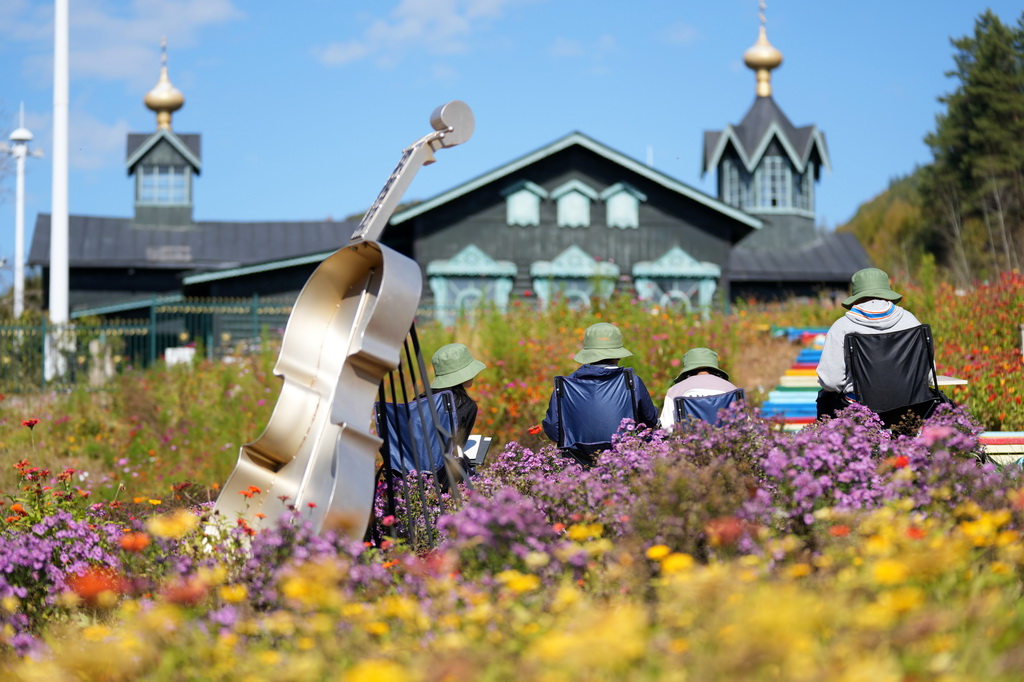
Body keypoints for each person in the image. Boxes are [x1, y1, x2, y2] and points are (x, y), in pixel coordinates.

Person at [542, 322, 659, 463]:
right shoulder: (631, 381)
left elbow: (553, 429)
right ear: (618, 355)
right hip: (624, 461)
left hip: (577, 464)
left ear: (587, 354)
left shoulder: (566, 385)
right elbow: (650, 421)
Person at [816, 268, 922, 420]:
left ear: (857, 296)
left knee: (825, 397)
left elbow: (831, 381)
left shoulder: (842, 327)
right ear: (887, 293)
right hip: (907, 409)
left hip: (858, 410)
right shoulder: (910, 321)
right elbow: (927, 375)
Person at [660, 347, 740, 428]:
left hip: (689, 440)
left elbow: (667, 427)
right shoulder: (731, 389)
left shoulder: (675, 390)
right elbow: (745, 423)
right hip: (727, 439)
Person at [430, 342, 487, 449]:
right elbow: (456, 448)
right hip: (444, 464)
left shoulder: (420, 400)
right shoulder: (467, 406)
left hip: (413, 462)